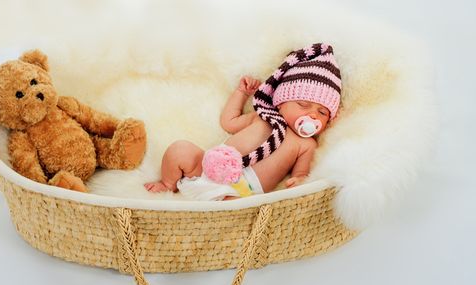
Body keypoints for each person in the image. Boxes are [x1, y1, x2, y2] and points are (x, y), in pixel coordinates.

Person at [144, 43, 341, 200]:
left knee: (236, 213)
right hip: (207, 169)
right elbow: (228, 122)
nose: (313, 115)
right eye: (303, 104)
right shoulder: (262, 117)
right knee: (180, 149)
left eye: (323, 112)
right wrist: (241, 94)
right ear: (280, 103)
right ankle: (168, 184)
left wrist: (299, 180)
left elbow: (301, 173)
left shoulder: (306, 144)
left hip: (240, 192)